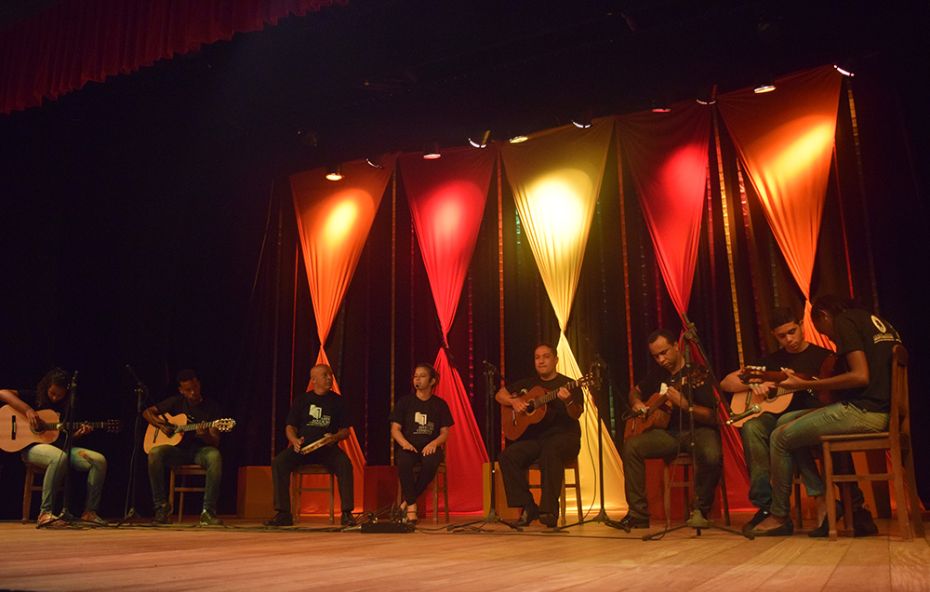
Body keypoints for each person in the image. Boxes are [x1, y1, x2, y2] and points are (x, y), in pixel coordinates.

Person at [751, 295, 896, 536]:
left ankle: (778, 515)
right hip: (879, 408)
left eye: (825, 331)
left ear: (825, 316)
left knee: (778, 436)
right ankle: (844, 507)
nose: (830, 338)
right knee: (788, 422)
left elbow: (861, 376)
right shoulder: (875, 321)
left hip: (867, 411)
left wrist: (803, 385)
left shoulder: (844, 321)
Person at [720, 306, 835, 534]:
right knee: (752, 426)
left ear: (801, 325)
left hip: (809, 419)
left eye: (792, 331)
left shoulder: (822, 357)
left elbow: (828, 395)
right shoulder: (772, 361)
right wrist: (755, 383)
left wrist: (803, 384)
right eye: (782, 336)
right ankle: (765, 504)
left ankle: (790, 509)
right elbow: (726, 383)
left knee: (785, 432)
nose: (789, 339)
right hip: (777, 421)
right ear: (774, 336)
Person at [617, 329, 722, 530]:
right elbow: (635, 392)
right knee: (632, 446)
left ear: (676, 346)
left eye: (664, 352)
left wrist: (685, 405)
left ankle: (700, 510)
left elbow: (711, 416)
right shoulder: (658, 375)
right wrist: (637, 403)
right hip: (669, 435)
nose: (661, 359)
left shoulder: (697, 373)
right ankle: (638, 514)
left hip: (698, 430)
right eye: (656, 356)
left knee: (712, 454)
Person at [0, 368, 108, 526]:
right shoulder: (35, 397)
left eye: (60, 394)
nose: (55, 397)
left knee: (99, 460)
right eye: (52, 393)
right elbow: (2, 392)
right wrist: (28, 410)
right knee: (59, 458)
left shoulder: (68, 406)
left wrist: (77, 434)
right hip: (31, 447)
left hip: (61, 447)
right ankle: (45, 513)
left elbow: (63, 437)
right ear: (46, 387)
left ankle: (89, 512)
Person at [495, 343, 583, 528]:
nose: (541, 361)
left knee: (551, 451)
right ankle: (528, 505)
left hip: (565, 437)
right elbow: (499, 394)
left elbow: (576, 414)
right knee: (508, 456)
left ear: (556, 360)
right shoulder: (528, 384)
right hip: (537, 440)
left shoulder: (570, 384)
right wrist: (514, 401)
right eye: (537, 357)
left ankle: (549, 510)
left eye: (546, 356)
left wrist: (568, 401)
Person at [265, 364, 356, 527]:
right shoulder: (302, 400)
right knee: (279, 462)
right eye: (325, 375)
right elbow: (290, 426)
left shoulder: (338, 401)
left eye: (330, 375)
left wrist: (334, 437)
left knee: (345, 464)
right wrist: (294, 440)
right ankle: (283, 513)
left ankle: (347, 513)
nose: (329, 378)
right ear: (314, 380)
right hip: (304, 448)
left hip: (327, 448)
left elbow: (345, 431)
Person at [143, 369, 225, 526]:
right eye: (188, 390)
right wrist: (161, 426)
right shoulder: (175, 402)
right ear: (181, 390)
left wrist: (204, 435)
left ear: (199, 384)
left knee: (215, 455)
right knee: (154, 453)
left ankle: (208, 512)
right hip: (178, 451)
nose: (193, 392)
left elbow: (215, 441)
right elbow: (147, 413)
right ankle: (161, 507)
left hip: (199, 451)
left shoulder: (212, 408)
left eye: (195, 387)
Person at [389, 363, 454, 523]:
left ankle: (406, 502)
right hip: (409, 445)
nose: (417, 379)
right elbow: (395, 429)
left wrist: (434, 444)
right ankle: (411, 506)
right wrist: (404, 443)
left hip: (430, 446)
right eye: (415, 376)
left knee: (430, 463)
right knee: (403, 461)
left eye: (422, 376)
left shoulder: (440, 404)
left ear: (432, 381)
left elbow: (445, 433)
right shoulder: (405, 402)